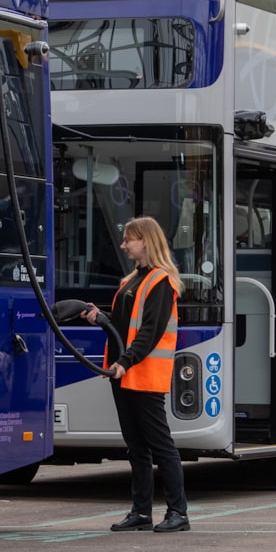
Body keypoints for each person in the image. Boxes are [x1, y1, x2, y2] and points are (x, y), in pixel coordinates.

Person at [81, 216, 190, 533]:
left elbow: (149, 332)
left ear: (146, 241)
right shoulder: (132, 281)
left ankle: (178, 512)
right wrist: (100, 317)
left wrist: (126, 361)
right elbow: (124, 323)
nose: (124, 244)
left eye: (130, 239)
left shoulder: (160, 281)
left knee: (160, 444)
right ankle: (141, 511)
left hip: (143, 373)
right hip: (124, 374)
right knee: (136, 447)